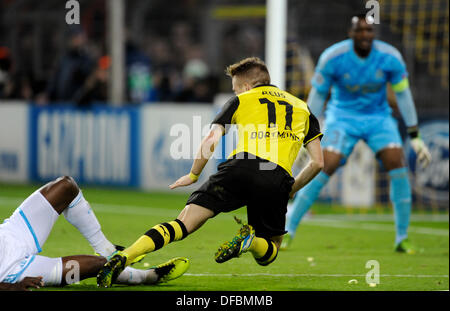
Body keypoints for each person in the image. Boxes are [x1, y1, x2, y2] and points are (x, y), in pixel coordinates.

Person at [97, 57, 324, 288]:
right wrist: (289, 189)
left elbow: (211, 139)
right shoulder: (303, 108)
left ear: (246, 87)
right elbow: (318, 163)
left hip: (238, 169)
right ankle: (251, 242)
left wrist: (194, 174)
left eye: (236, 88)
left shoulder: (241, 100)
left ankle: (124, 257)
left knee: (182, 224)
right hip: (277, 177)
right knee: (271, 248)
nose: (235, 92)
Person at [282, 14, 432, 253]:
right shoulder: (333, 58)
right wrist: (306, 134)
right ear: (351, 33)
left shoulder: (390, 57)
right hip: (342, 117)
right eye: (360, 31)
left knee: (397, 163)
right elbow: (318, 95)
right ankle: (288, 229)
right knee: (324, 165)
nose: (365, 35)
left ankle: (402, 237)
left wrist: (414, 135)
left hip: (379, 118)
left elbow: (403, 95)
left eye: (369, 31)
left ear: (374, 34)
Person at [0, 176, 189, 290]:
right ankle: (147, 277)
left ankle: (106, 248)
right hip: (12, 272)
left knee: (66, 186)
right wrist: (12, 286)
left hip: (13, 233)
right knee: (99, 266)